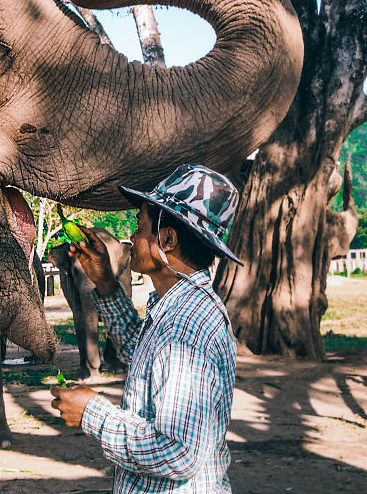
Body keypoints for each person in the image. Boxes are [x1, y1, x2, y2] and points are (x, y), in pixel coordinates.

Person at [49, 164, 241, 493]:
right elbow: (142, 356)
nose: (133, 237)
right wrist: (106, 283)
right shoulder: (178, 309)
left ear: (167, 239)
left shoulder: (187, 328)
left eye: (140, 226)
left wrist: (93, 414)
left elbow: (179, 452)